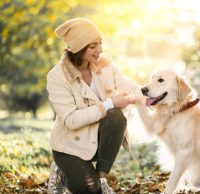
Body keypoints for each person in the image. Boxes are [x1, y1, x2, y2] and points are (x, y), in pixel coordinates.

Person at [46, 18, 142, 194]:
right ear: (78, 48)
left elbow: (127, 86)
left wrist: (152, 96)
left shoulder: (104, 63)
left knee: (116, 116)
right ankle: (61, 174)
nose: (100, 50)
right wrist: (109, 103)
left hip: (97, 139)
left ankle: (102, 179)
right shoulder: (57, 77)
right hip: (69, 146)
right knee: (88, 189)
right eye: (93, 46)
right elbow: (71, 120)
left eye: (100, 43)